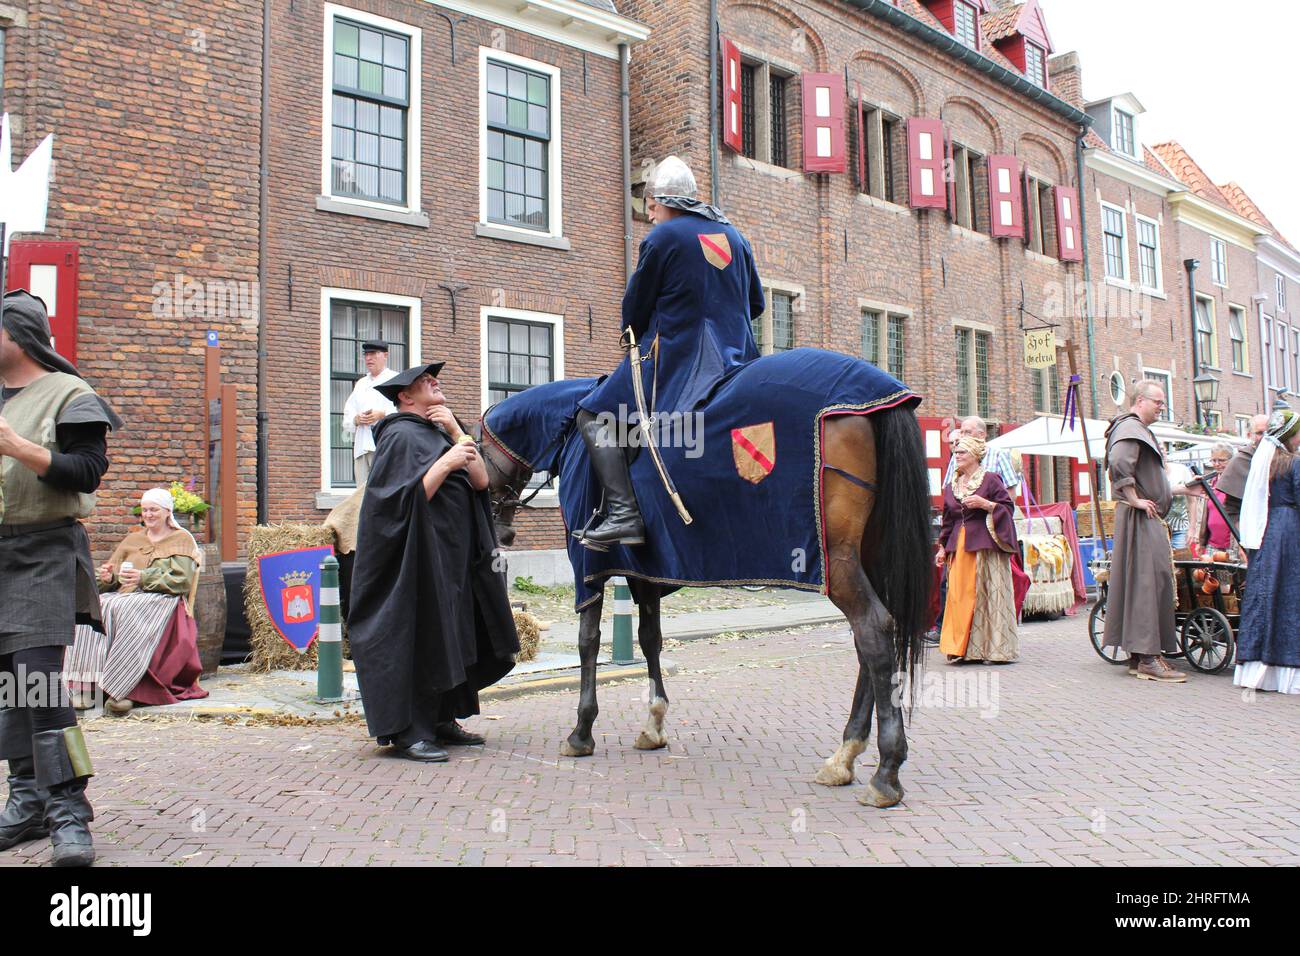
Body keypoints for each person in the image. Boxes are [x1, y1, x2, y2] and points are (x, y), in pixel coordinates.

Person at [573, 155, 764, 549]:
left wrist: (637, 334)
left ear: (662, 202)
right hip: (741, 359)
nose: (651, 217)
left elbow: (635, 308)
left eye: (652, 209)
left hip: (682, 359)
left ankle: (624, 515)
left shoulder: (663, 238)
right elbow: (756, 305)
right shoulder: (736, 237)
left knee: (594, 415)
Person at [0, 289, 122, 866]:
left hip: (44, 551)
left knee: (39, 680)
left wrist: (21, 448)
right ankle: (24, 802)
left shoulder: (70, 395)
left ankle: (69, 814)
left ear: (16, 336)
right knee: (9, 685)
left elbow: (89, 472)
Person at [347, 363, 519, 762]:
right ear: (405, 397)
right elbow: (393, 503)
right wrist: (445, 462)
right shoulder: (400, 436)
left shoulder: (440, 430)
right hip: (417, 557)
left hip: (453, 555)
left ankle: (443, 719)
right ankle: (411, 732)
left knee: (454, 631)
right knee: (422, 634)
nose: (434, 381)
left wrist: (458, 435)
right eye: (425, 381)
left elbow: (480, 482)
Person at [64, 488, 207, 715]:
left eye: (154, 510)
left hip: (162, 599)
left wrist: (144, 577)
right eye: (145, 510)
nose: (148, 515)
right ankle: (85, 686)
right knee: (95, 608)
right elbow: (113, 575)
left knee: (126, 609)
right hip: (126, 595)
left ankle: (125, 689)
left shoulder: (181, 539)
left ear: (167, 511)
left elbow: (182, 582)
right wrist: (108, 577)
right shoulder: (133, 539)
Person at [1102, 380, 1183, 683]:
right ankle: (1148, 657)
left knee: (1142, 582)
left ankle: (1140, 655)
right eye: (1158, 402)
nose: (1162, 407)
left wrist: (1183, 489)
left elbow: (1143, 474)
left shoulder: (1136, 429)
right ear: (1139, 400)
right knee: (1150, 582)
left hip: (1144, 517)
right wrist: (1133, 498)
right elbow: (1119, 463)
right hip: (1140, 518)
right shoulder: (1130, 428)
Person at [935, 435, 1020, 664]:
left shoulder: (990, 480)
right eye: (956, 452)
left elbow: (1007, 508)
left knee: (985, 597)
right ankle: (959, 647)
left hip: (984, 546)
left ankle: (992, 650)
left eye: (962, 452)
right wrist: (943, 547)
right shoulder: (952, 484)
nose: (957, 455)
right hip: (959, 548)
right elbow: (948, 519)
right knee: (958, 597)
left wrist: (986, 505)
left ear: (974, 455)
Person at [1234, 406, 1300, 694]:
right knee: (1289, 596)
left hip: (1266, 533)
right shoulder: (1294, 463)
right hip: (1289, 532)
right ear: (1289, 436)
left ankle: (1256, 668)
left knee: (1265, 593)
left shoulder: (1266, 463)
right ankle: (1287, 668)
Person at [341, 341, 397, 486]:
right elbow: (349, 411)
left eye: (373, 354)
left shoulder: (396, 380)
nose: (368, 358)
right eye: (366, 354)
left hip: (384, 446)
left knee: (384, 490)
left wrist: (382, 414)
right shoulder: (361, 384)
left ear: (385, 355)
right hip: (361, 446)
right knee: (361, 495)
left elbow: (405, 410)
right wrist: (356, 419)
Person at [943, 416, 1021, 499]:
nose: (963, 436)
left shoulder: (999, 454)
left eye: (968, 432)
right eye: (961, 433)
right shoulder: (957, 455)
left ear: (982, 435)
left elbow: (1010, 491)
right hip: (961, 509)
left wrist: (992, 508)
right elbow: (948, 489)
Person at [1216, 414, 1269, 535]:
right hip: (1254, 532)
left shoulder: (1284, 458)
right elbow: (1232, 508)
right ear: (1250, 435)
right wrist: (1243, 537)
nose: (1266, 437)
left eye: (1269, 432)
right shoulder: (1241, 460)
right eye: (1260, 433)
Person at [1197, 442, 1236, 553]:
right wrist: (1201, 542)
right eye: (1214, 460)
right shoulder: (1210, 483)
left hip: (1232, 546)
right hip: (1212, 544)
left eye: (1222, 460)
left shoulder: (1237, 483)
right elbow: (1204, 516)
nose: (1217, 464)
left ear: (1232, 460)